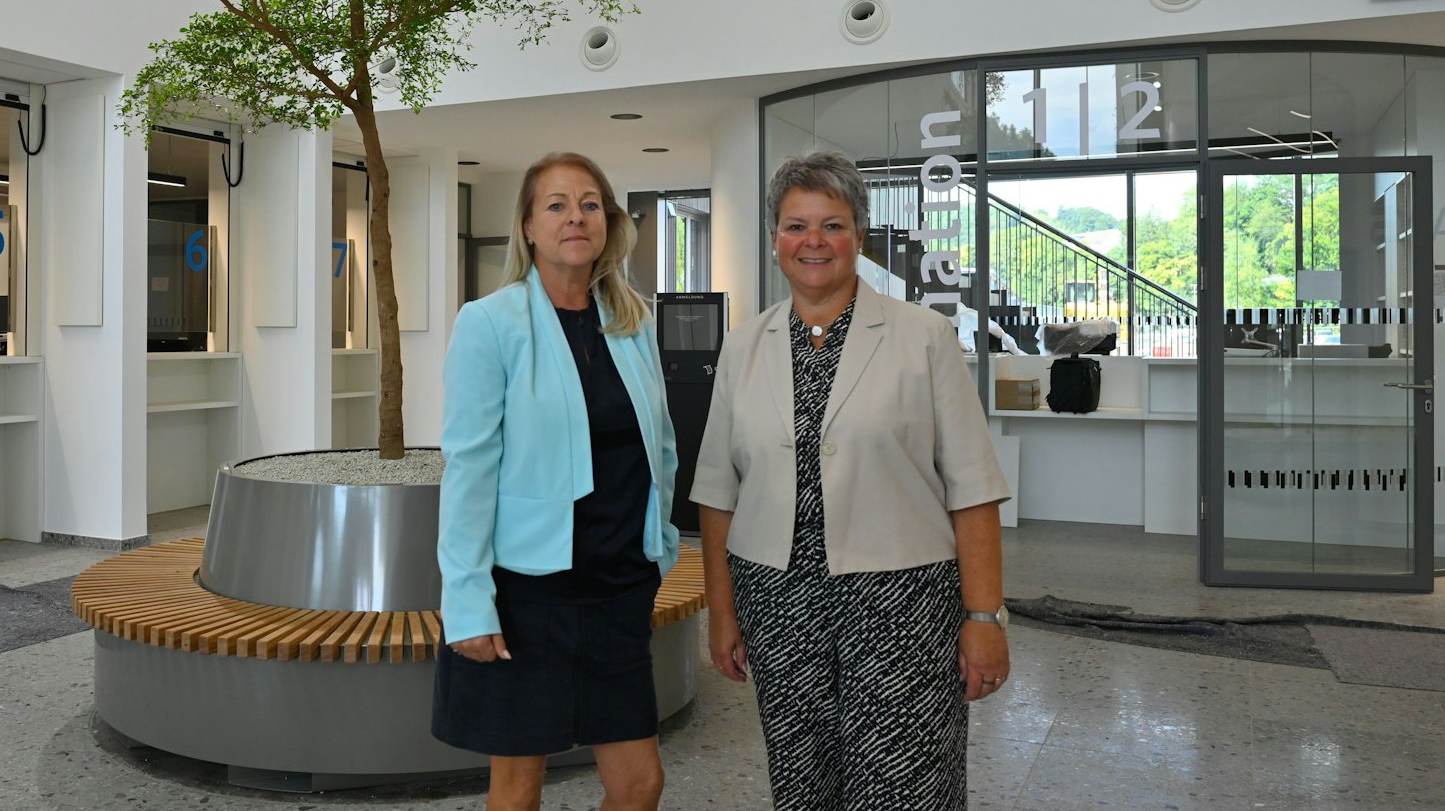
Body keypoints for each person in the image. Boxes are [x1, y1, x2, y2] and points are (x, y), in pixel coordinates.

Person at [691, 150, 1011, 811]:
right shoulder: (743, 345)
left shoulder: (924, 336)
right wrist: (723, 612)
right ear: (776, 238)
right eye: (796, 225)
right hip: (777, 603)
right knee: (803, 783)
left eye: (832, 225)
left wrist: (985, 616)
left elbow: (973, 487)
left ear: (859, 236)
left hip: (901, 603)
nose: (814, 242)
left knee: (905, 780)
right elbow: (719, 492)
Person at [433, 152, 680, 811]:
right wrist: (468, 601)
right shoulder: (489, 324)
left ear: (609, 223)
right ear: (529, 226)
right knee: (517, 791)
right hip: (527, 594)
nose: (576, 215)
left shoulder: (632, 322)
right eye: (557, 204)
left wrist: (662, 543)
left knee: (639, 783)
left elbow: (660, 446)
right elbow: (468, 474)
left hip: (618, 587)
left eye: (591, 203)